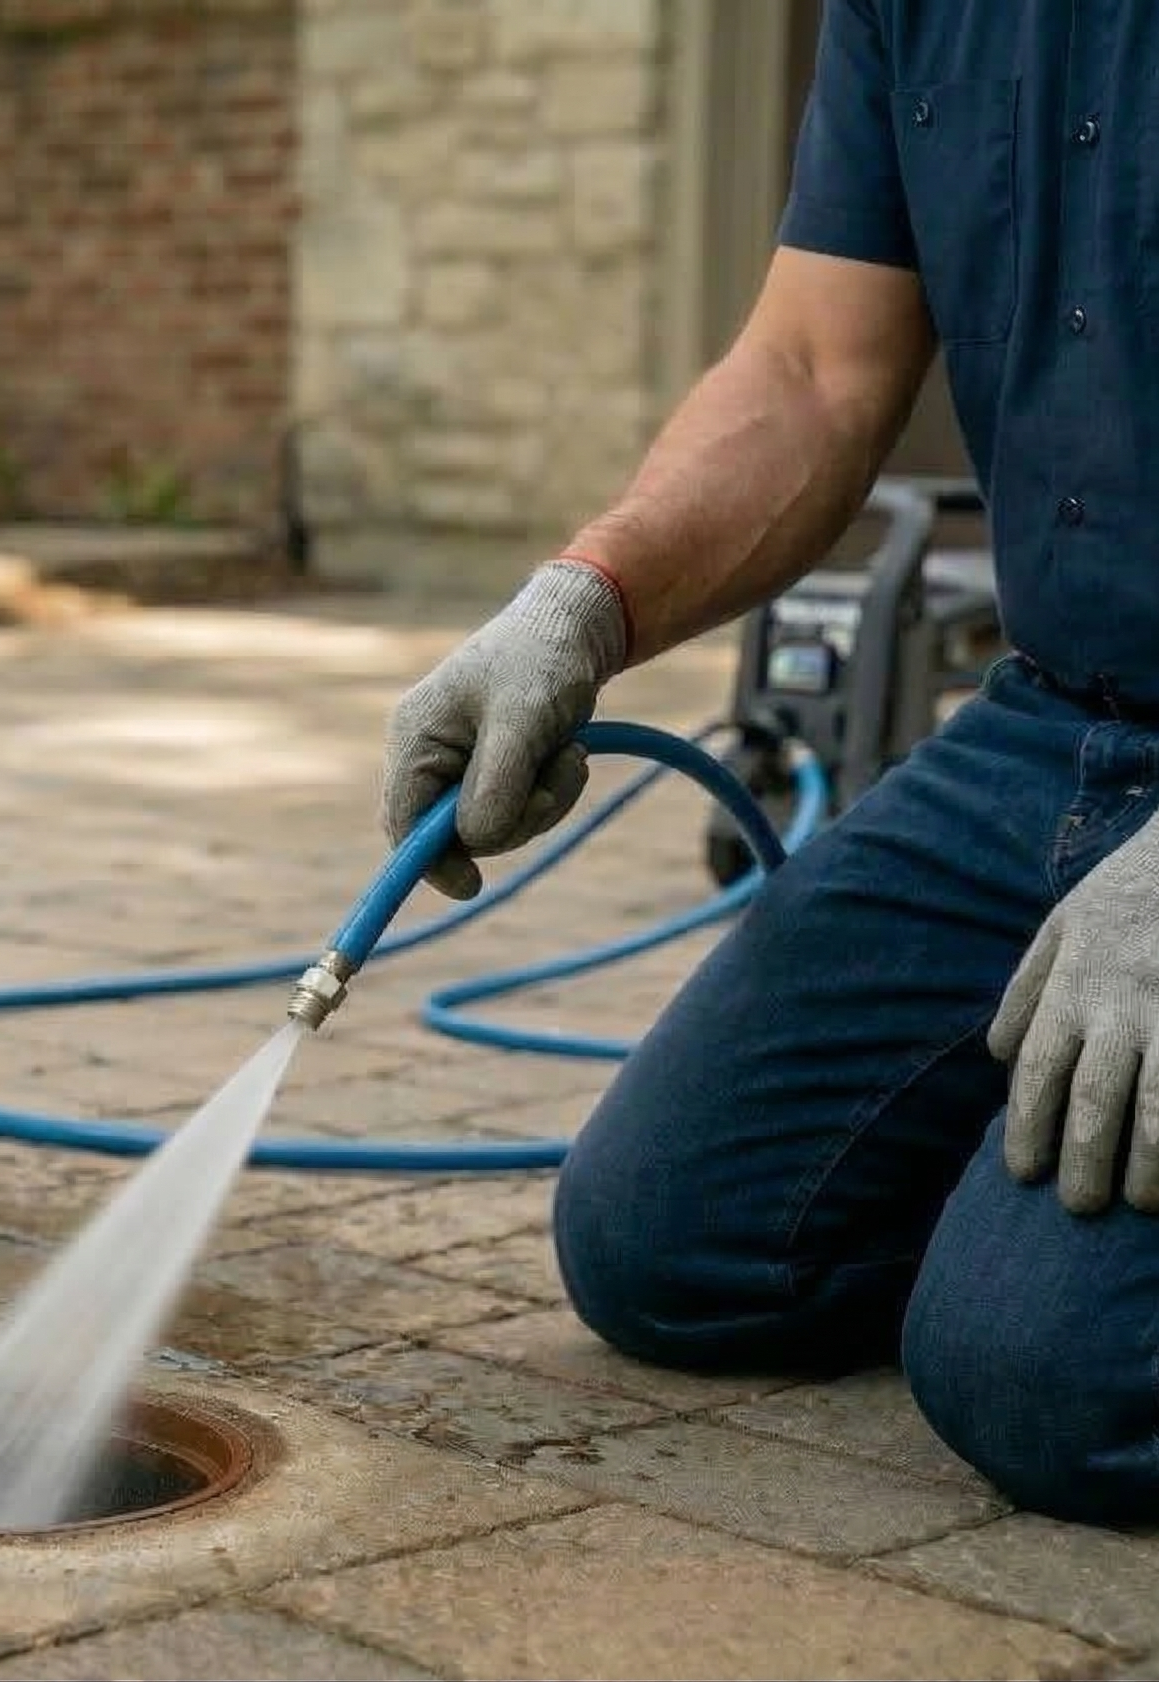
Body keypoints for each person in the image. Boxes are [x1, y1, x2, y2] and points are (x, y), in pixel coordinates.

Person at [378, 0, 1159, 1527]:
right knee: (671, 1237)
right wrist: (577, 606)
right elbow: (811, 366)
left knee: (1050, 1370)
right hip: (1054, 722)